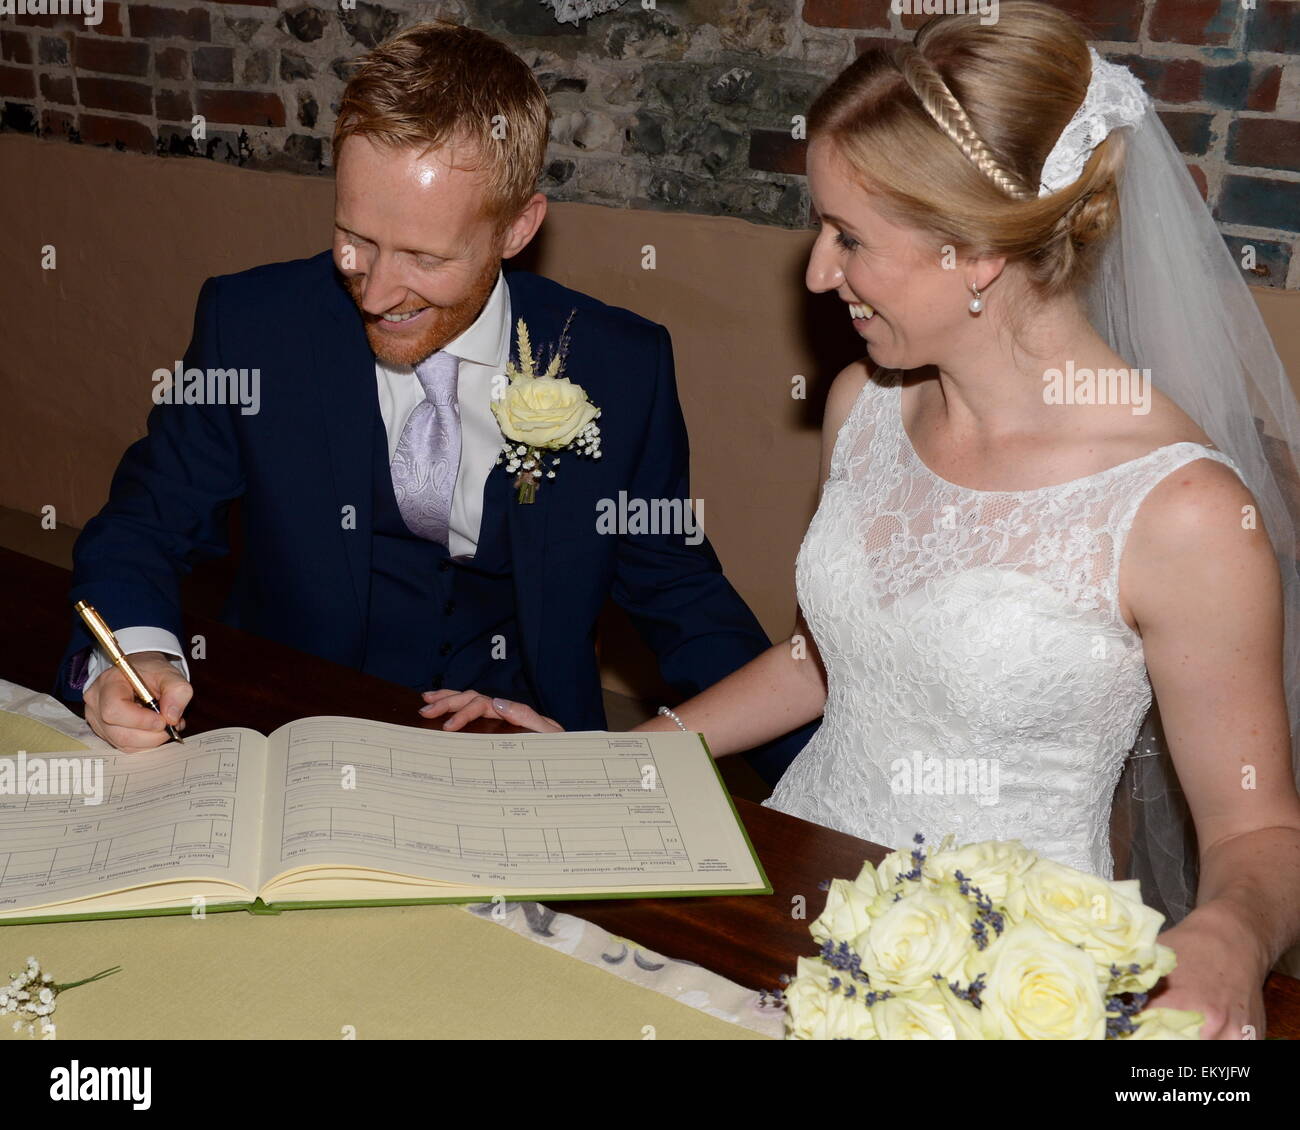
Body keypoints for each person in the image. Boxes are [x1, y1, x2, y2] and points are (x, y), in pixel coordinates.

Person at [427, 3, 1300, 1038]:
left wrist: (1232, 934)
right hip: (790, 890)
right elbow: (830, 653)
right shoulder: (864, 405)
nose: (816, 273)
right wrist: (621, 761)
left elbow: (1259, 823)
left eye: (850, 239)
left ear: (974, 251)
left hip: (995, 973)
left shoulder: (1182, 511)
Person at [53, 19, 816, 785]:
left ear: (517, 228)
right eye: (355, 239)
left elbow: (680, 594)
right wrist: (135, 651)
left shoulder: (621, 366)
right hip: (295, 732)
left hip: (525, 750)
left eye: (424, 257)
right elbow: (145, 523)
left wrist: (823, 786)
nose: (378, 292)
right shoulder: (252, 327)